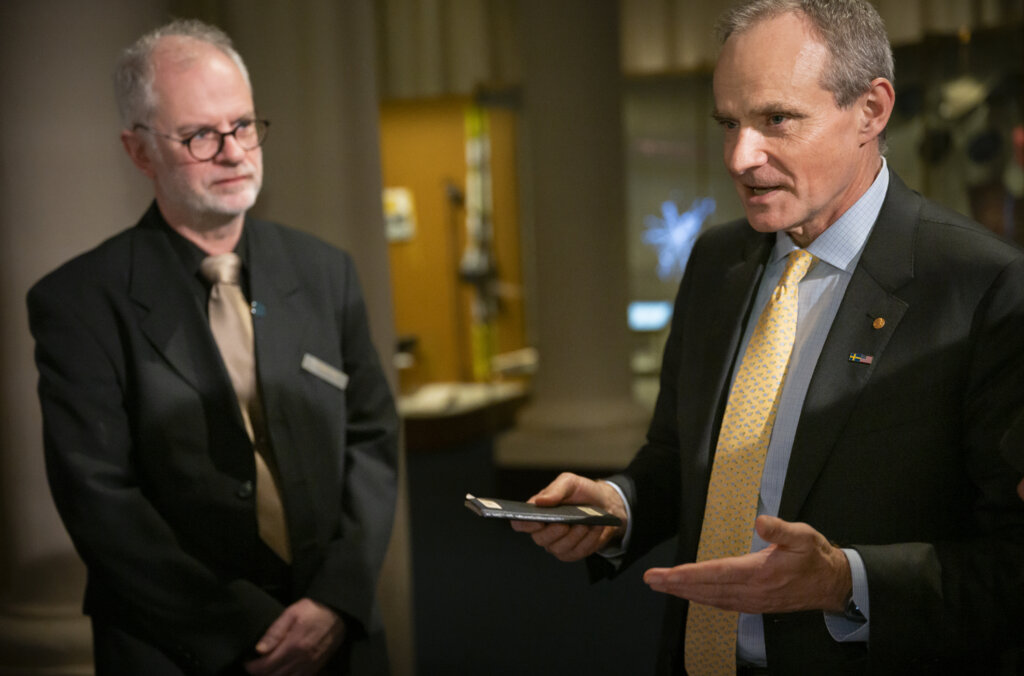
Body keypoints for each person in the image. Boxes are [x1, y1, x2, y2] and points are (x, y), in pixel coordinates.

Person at [513, 0, 1024, 673]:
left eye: (776, 120)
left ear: (871, 110)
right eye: (728, 123)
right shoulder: (716, 262)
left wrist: (844, 582)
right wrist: (619, 506)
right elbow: (680, 457)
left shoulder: (982, 287)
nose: (739, 157)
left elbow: (1011, 561)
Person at [27, 19, 398, 676]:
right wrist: (249, 628)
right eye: (200, 135)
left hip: (336, 637)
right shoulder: (79, 302)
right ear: (139, 152)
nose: (233, 153)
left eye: (243, 125)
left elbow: (372, 440)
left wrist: (335, 600)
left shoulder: (325, 271)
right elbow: (100, 501)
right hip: (182, 649)